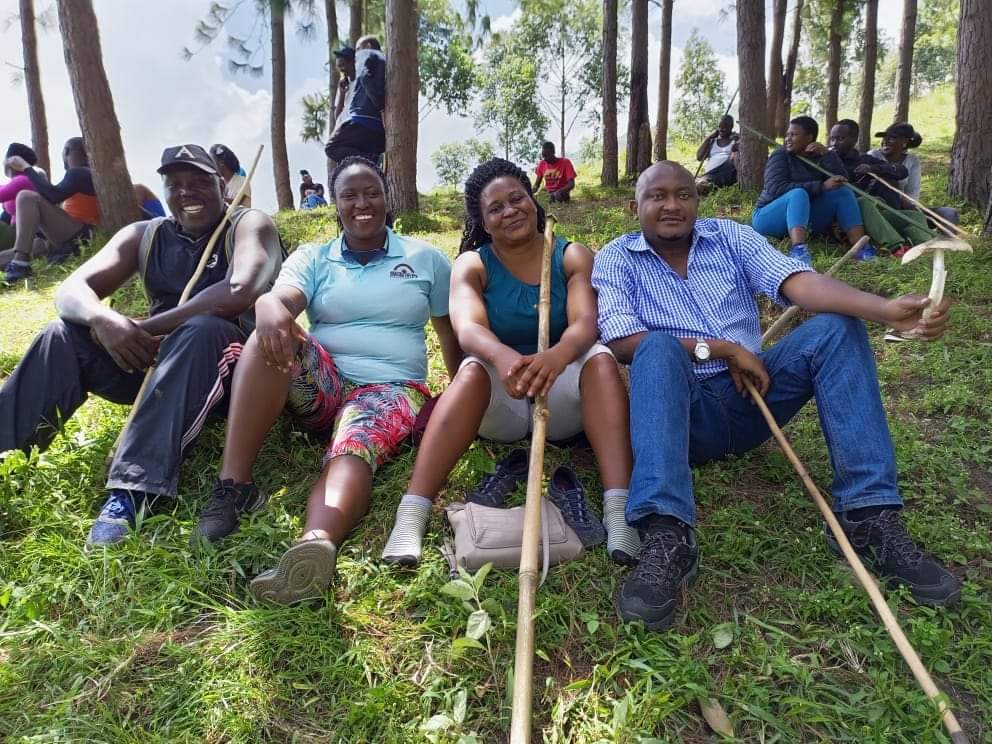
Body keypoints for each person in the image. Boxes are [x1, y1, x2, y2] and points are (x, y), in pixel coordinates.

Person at [592, 161, 960, 631]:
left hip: (754, 394)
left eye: (683, 194)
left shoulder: (730, 237)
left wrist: (884, 309)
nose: (671, 205)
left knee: (837, 329)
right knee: (656, 347)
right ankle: (667, 534)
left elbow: (798, 282)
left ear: (697, 200)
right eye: (656, 196)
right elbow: (623, 341)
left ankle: (868, 515)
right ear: (635, 206)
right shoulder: (617, 257)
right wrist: (722, 349)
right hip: (680, 415)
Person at [200, 156, 459, 604]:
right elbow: (283, 298)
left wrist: (459, 399)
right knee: (268, 336)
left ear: (387, 197)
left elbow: (450, 334)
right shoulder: (315, 257)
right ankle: (234, 485)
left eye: (372, 192)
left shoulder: (426, 259)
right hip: (325, 384)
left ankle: (314, 545)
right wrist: (268, 305)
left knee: (355, 443)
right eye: (349, 195)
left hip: (388, 389)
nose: (362, 203)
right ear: (334, 203)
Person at [0, 144, 283, 547]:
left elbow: (239, 290)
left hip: (228, 373)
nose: (186, 192)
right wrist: (105, 321)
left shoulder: (248, 223)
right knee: (61, 334)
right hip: (155, 366)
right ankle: (6, 451)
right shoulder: (144, 234)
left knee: (203, 329)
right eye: (175, 184)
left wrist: (145, 327)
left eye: (199, 181)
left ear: (222, 187)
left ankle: (133, 490)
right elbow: (70, 289)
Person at [381, 158, 641, 569]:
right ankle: (411, 515)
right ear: (483, 223)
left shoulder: (571, 254)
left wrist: (555, 357)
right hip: (502, 399)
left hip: (562, 397)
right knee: (471, 369)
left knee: (602, 360)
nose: (510, 211)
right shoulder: (473, 264)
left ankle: (618, 510)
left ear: (533, 201)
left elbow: (586, 323)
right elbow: (468, 329)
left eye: (517, 199)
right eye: (495, 208)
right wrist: (503, 357)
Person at [751, 116, 872, 265]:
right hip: (768, 217)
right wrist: (821, 186)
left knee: (843, 192)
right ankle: (798, 250)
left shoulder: (818, 157)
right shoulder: (780, 155)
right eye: (787, 134)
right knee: (798, 194)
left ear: (809, 137)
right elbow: (775, 188)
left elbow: (842, 179)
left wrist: (828, 155)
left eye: (794, 135)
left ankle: (860, 248)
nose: (788, 139)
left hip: (803, 217)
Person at [828, 119, 933, 256]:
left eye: (840, 138)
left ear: (854, 140)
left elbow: (901, 171)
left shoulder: (863, 159)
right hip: (852, 215)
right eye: (832, 139)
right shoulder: (826, 159)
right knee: (863, 201)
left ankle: (926, 247)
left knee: (915, 216)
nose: (834, 143)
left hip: (875, 211)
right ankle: (895, 247)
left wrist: (873, 169)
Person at [3, 137, 99, 281]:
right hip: (68, 239)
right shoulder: (86, 174)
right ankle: (19, 261)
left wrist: (26, 167)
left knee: (26, 196)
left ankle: (20, 265)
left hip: (82, 235)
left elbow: (53, 195)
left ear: (66, 152)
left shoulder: (78, 172)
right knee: (27, 248)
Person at [868, 122, 959, 253]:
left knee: (948, 213)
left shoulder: (912, 161)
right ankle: (911, 240)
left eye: (892, 138)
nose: (885, 141)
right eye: (884, 137)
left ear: (904, 142)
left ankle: (949, 245)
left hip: (903, 207)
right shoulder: (873, 156)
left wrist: (914, 209)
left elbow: (912, 197)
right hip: (878, 208)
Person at [325, 37, 386, 167]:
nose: (341, 70)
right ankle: (372, 162)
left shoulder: (366, 64)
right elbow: (338, 117)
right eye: (338, 67)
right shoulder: (344, 86)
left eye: (342, 66)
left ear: (353, 62)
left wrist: (379, 105)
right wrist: (342, 94)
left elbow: (366, 79)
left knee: (331, 147)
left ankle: (371, 162)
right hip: (355, 131)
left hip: (361, 122)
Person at [0, 143, 41, 262]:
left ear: (11, 161)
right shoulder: (23, 179)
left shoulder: (22, 180)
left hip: (23, 237)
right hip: (17, 234)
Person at [694, 115, 739, 194]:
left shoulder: (735, 140)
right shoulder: (713, 141)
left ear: (731, 127)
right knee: (694, 182)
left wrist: (736, 141)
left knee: (701, 185)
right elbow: (699, 157)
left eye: (725, 127)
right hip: (710, 174)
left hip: (725, 174)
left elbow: (734, 160)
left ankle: (704, 186)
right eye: (720, 127)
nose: (721, 129)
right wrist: (709, 138)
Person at [209, 144, 252, 208]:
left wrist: (216, 198)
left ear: (221, 163)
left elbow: (237, 202)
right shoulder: (219, 184)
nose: (211, 166)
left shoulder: (242, 182)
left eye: (212, 162)